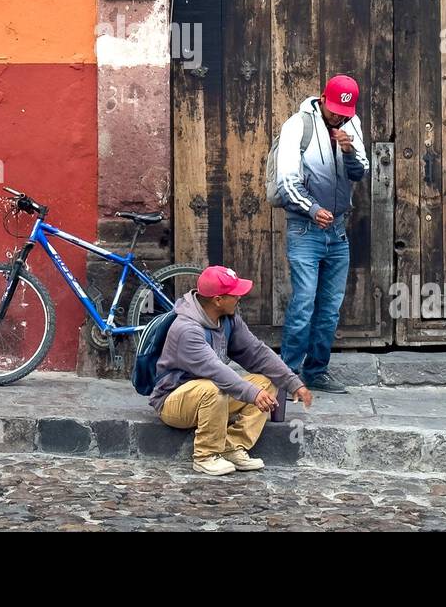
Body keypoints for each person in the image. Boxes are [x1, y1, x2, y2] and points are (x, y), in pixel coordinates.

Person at [150, 265, 313, 476]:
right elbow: (217, 372)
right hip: (173, 401)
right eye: (235, 294)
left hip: (212, 394)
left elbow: (258, 352)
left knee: (268, 381)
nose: (240, 298)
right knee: (214, 388)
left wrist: (293, 383)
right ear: (218, 300)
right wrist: (252, 394)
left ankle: (232, 446)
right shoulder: (186, 330)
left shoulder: (228, 319)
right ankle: (205, 455)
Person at [274, 74, 368, 392]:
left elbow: (360, 172)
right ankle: (288, 374)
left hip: (338, 231)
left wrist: (350, 151)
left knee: (330, 307)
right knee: (303, 303)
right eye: (334, 111)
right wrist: (313, 209)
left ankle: (317, 371)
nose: (339, 117)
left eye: (345, 112)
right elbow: (287, 181)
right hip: (305, 229)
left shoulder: (350, 125)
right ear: (323, 99)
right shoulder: (296, 126)